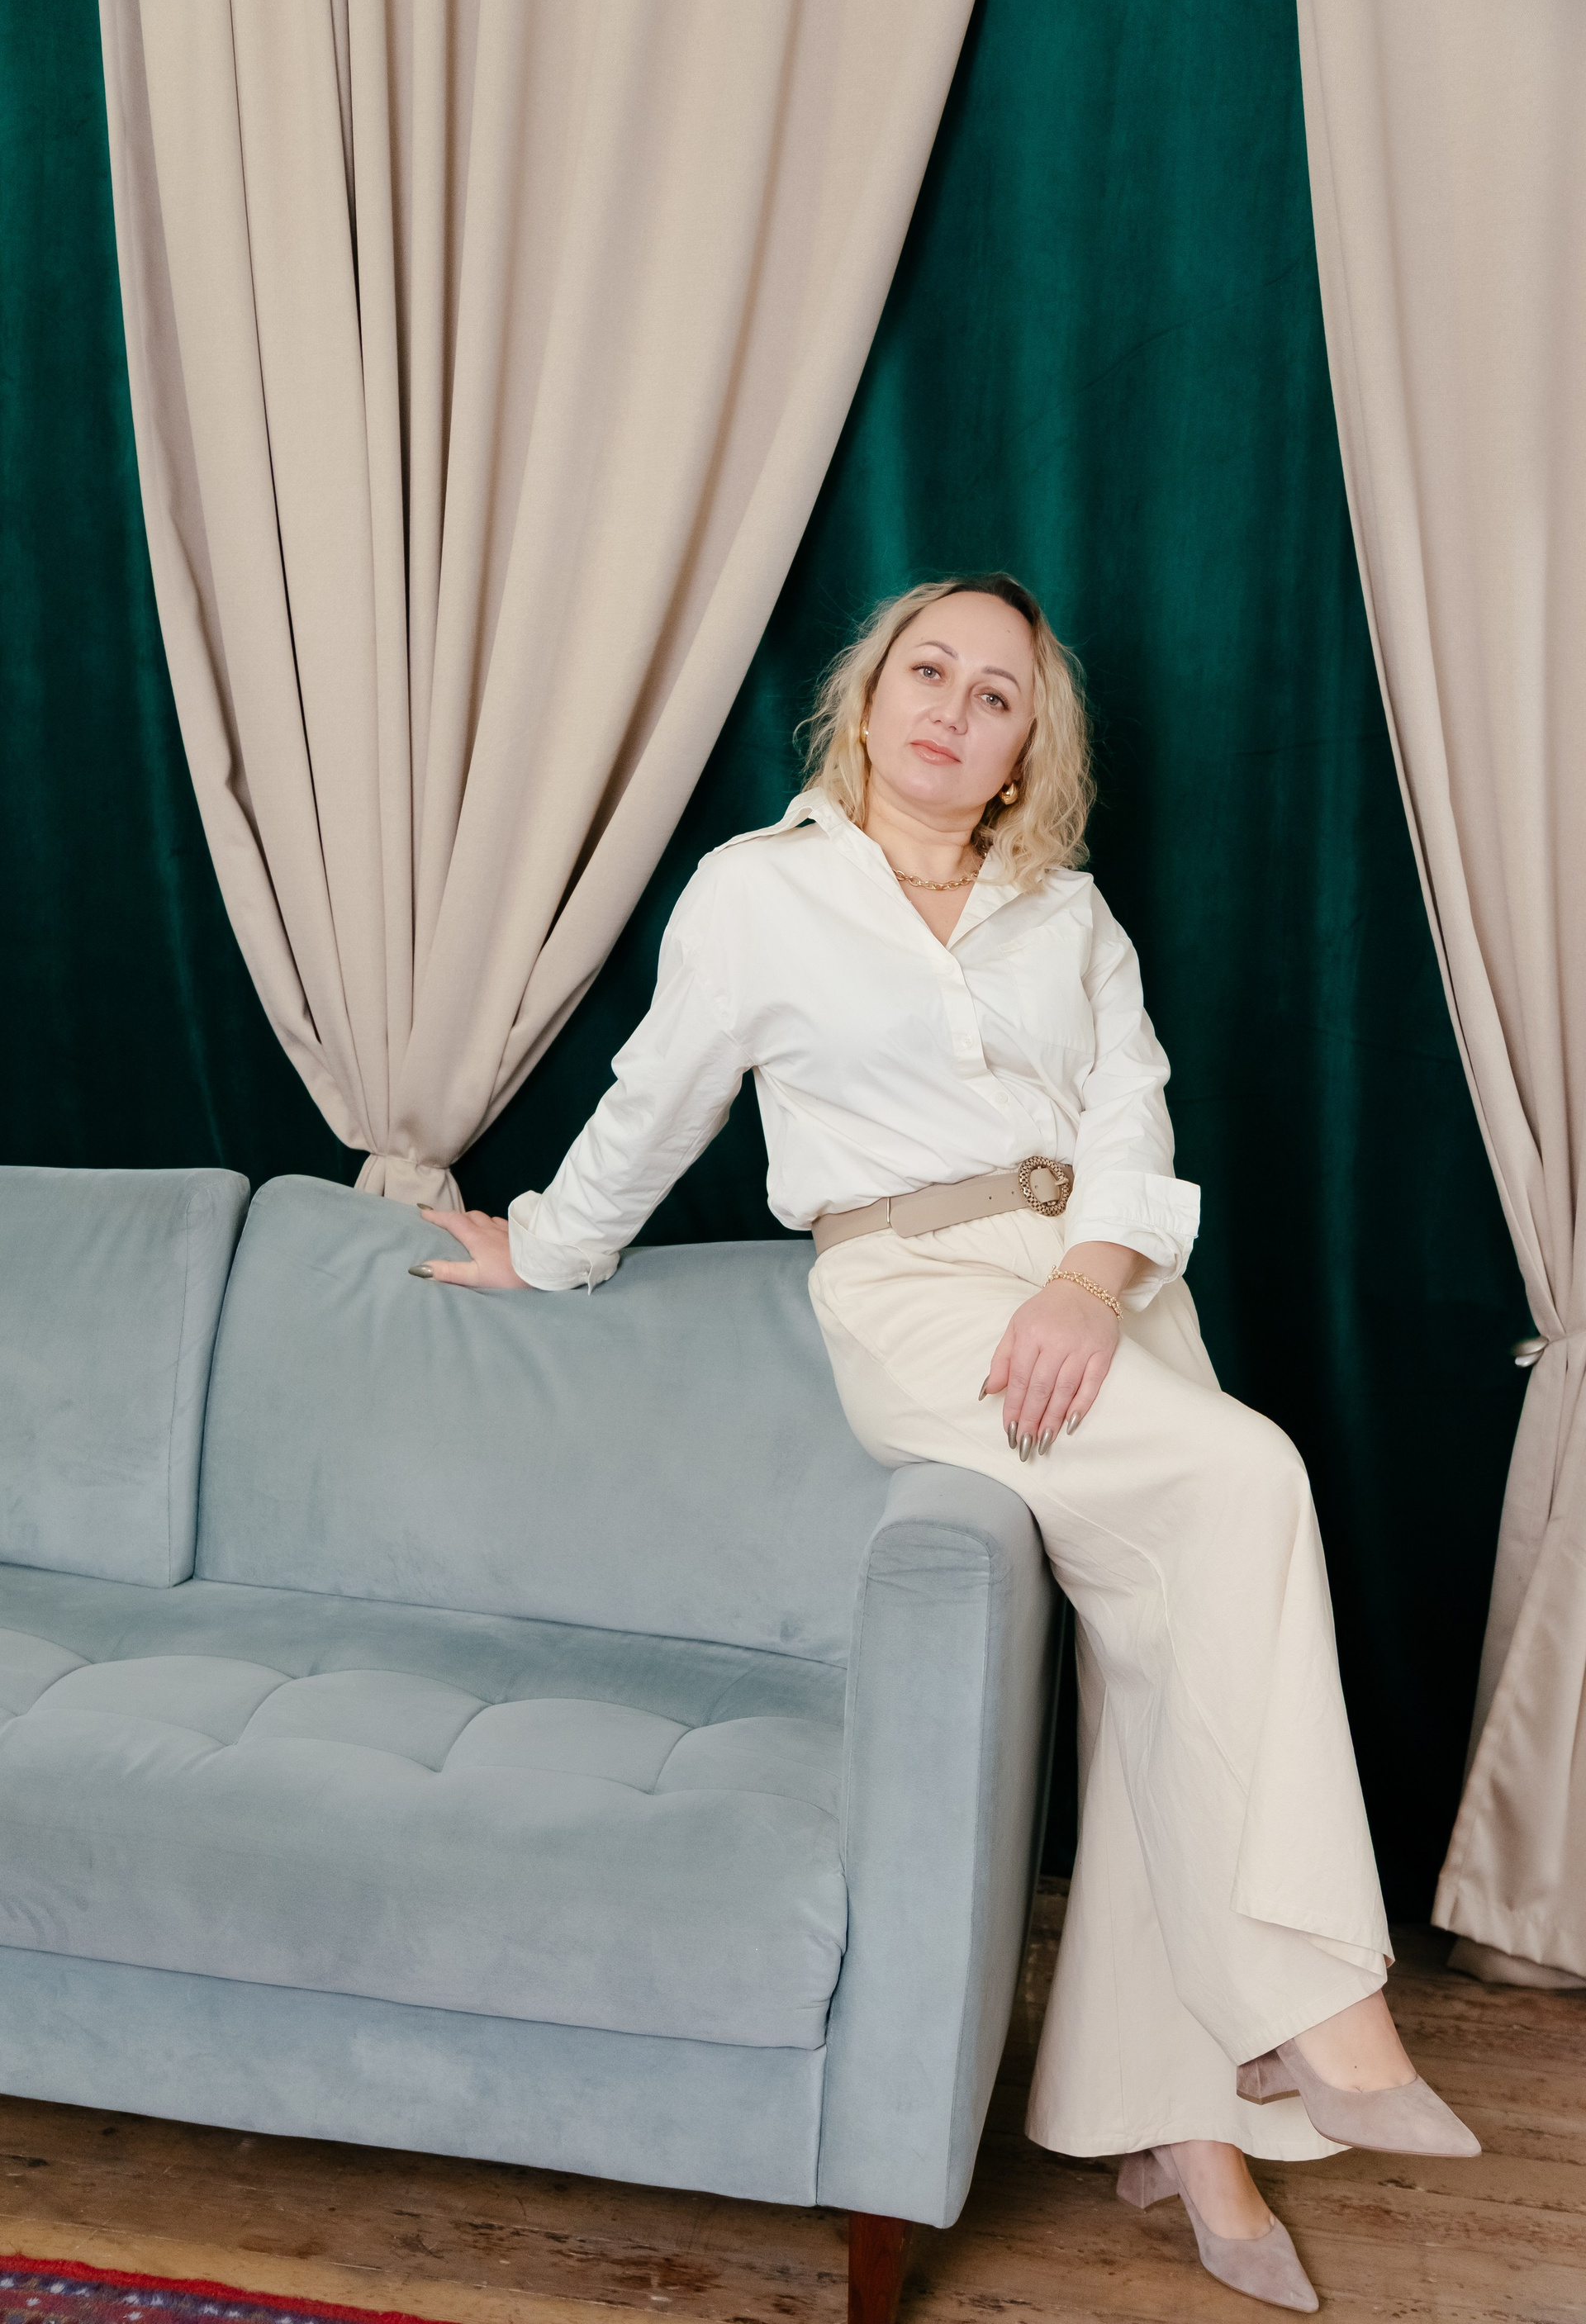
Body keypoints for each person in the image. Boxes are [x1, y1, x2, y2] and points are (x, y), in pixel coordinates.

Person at [413, 576, 1479, 2311]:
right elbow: (655, 1097)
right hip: (916, 1294)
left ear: (1023, 752)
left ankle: (1185, 2136)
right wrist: (542, 1247)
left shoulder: (1067, 910)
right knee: (1253, 1477)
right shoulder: (757, 893)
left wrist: (1086, 1281)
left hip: (1104, 1293)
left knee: (1167, 1661)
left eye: (998, 697)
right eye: (931, 671)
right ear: (869, 695)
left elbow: (1132, 1110)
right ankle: (1315, 2011)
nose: (955, 709)